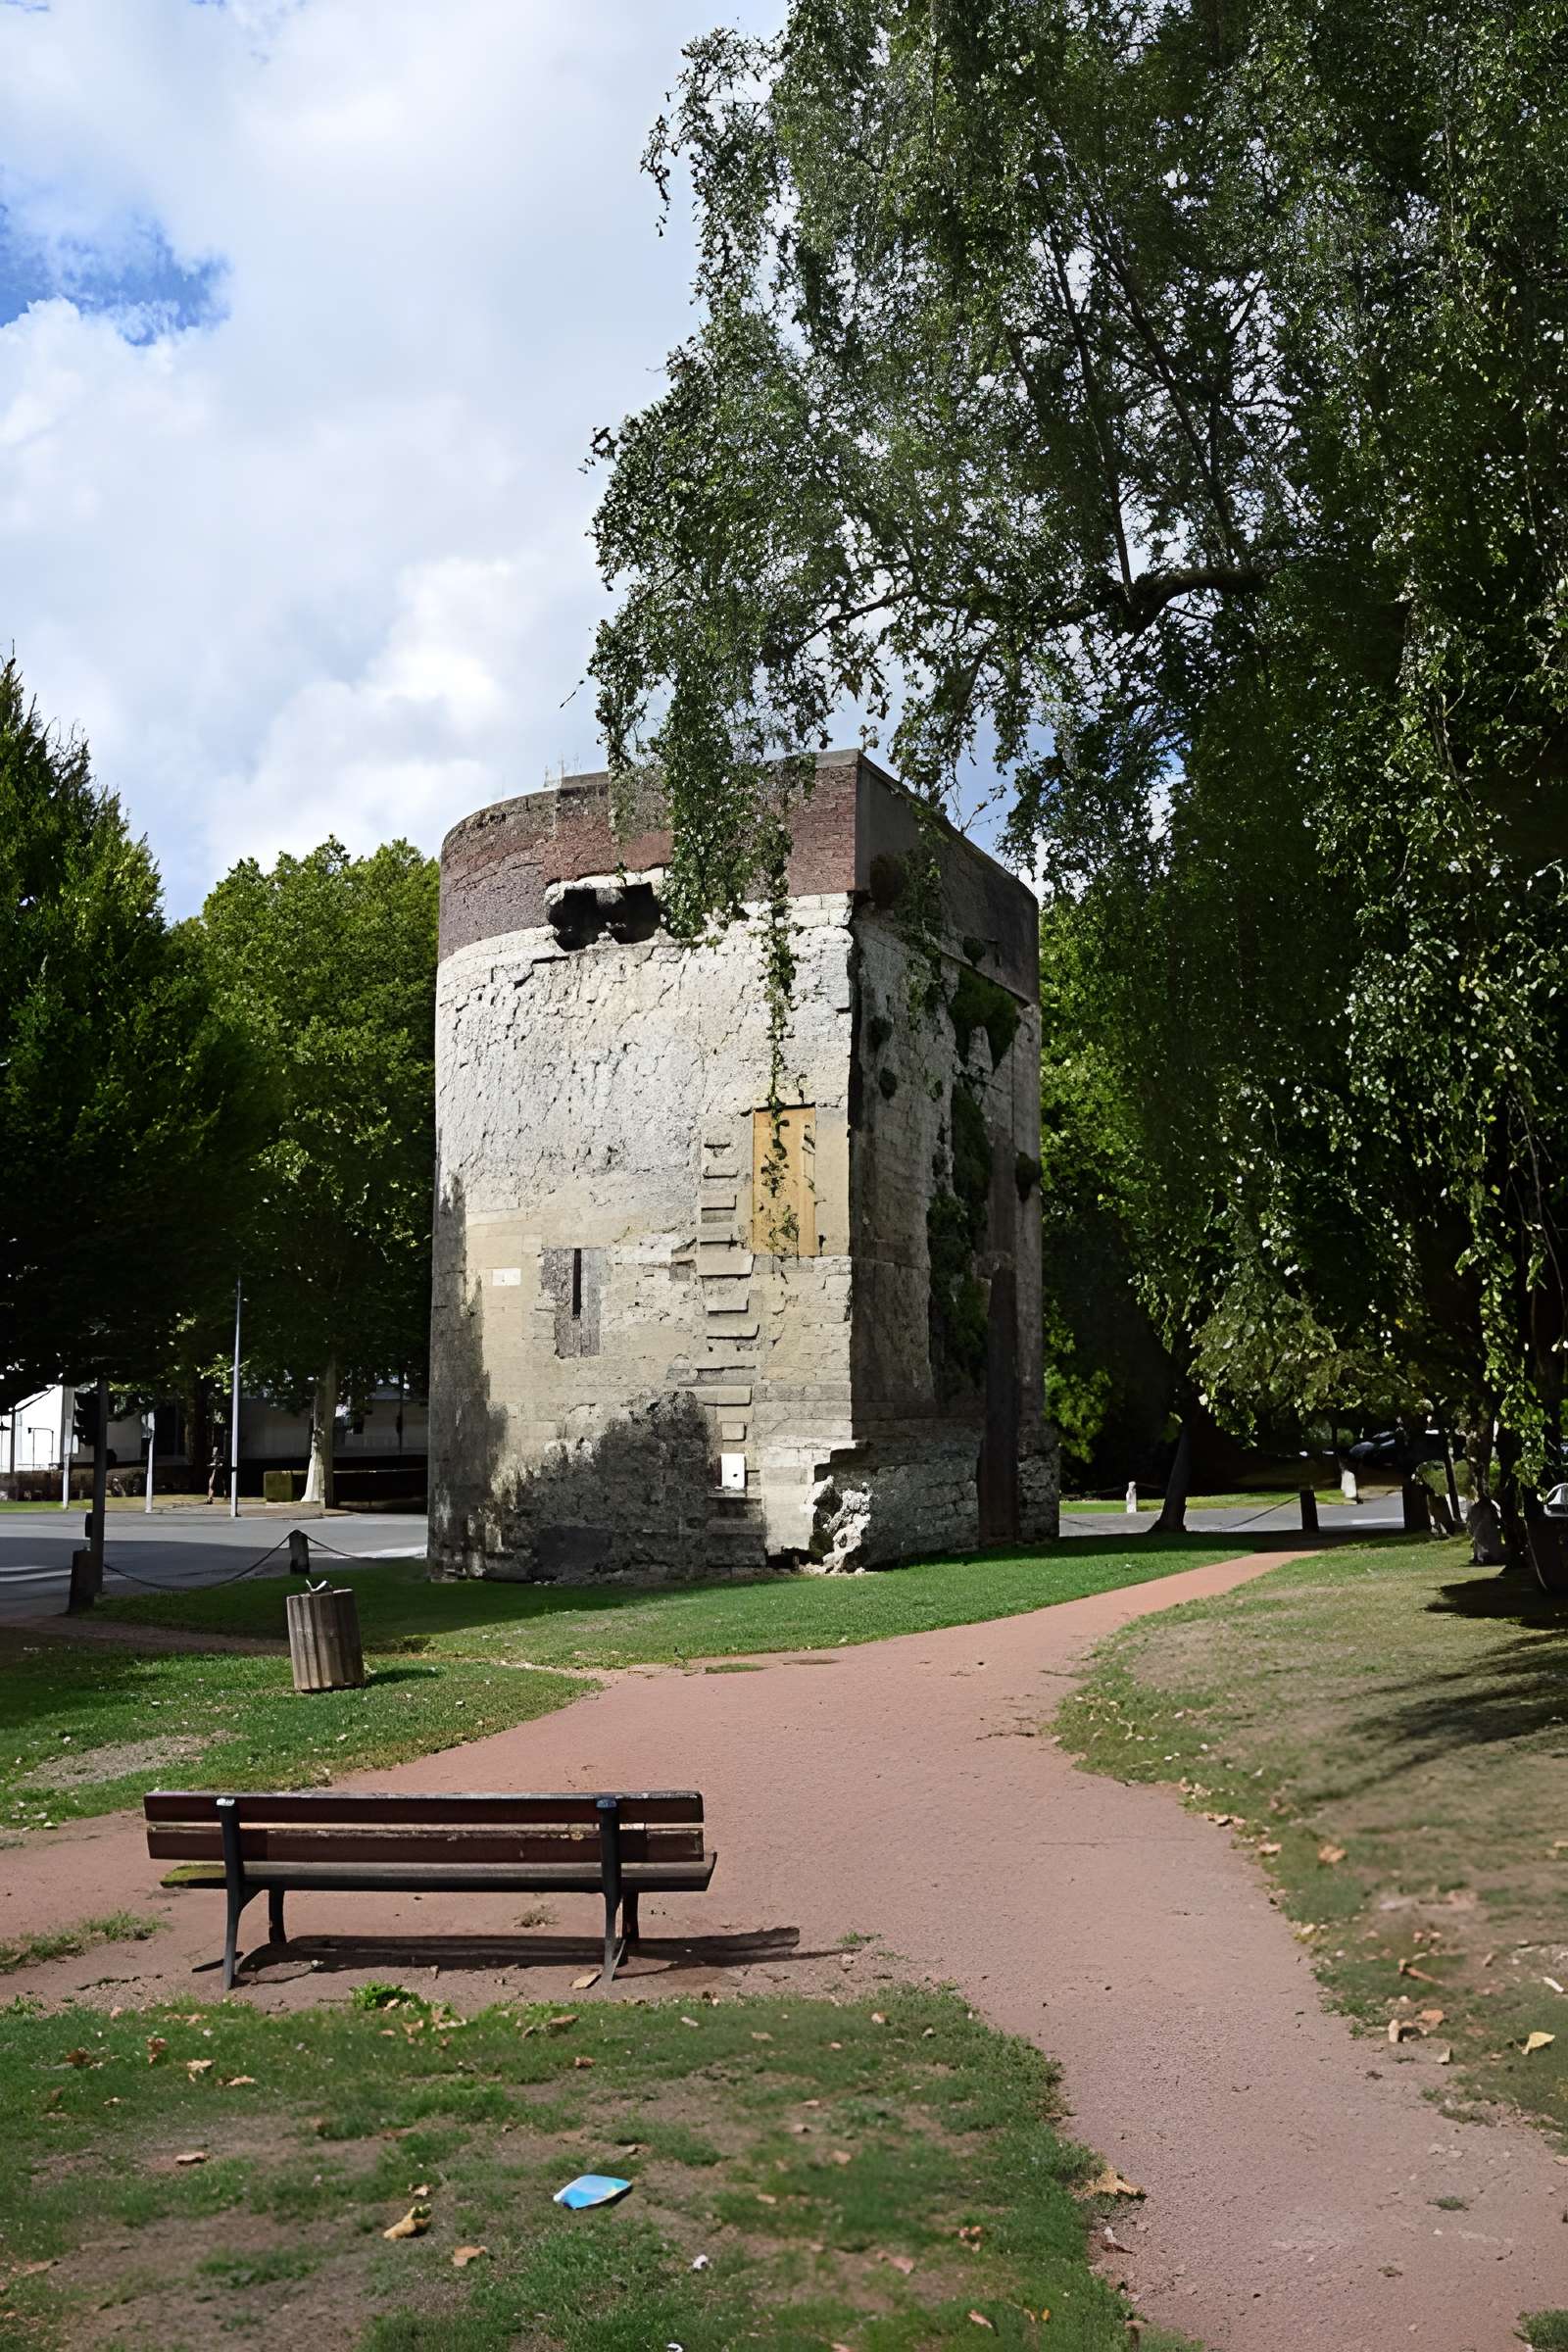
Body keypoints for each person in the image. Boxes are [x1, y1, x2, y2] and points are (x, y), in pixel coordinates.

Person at [206, 1433, 224, 1504]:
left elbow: (220, 1465)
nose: (214, 1453)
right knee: (210, 1485)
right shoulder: (213, 1458)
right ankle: (209, 1498)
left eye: (215, 1452)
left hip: (217, 1474)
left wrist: (217, 1465)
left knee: (212, 1485)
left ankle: (210, 1498)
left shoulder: (219, 1459)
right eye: (213, 1451)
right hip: (213, 1474)